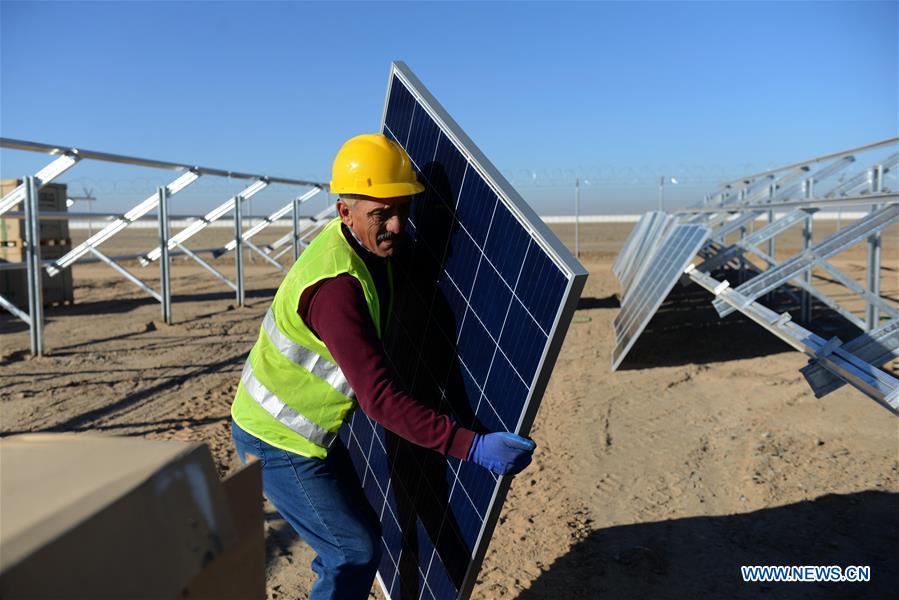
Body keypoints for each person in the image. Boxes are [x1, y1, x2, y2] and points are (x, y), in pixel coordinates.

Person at [230, 133, 536, 599]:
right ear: (344, 212)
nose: (397, 225)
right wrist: (471, 446)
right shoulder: (337, 291)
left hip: (307, 434)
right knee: (351, 551)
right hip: (277, 440)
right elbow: (380, 399)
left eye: (402, 210)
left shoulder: (371, 249)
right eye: (380, 214)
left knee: (358, 537)